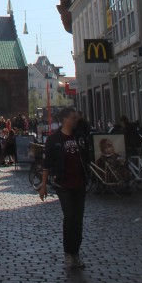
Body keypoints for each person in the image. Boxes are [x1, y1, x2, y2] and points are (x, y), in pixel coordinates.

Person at [39, 106, 90, 270]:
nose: (77, 120)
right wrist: (43, 185)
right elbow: (46, 164)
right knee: (69, 216)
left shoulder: (81, 137)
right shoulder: (54, 140)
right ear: (66, 120)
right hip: (63, 184)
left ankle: (76, 253)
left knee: (78, 219)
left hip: (80, 183)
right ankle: (68, 253)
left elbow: (87, 158)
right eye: (74, 118)